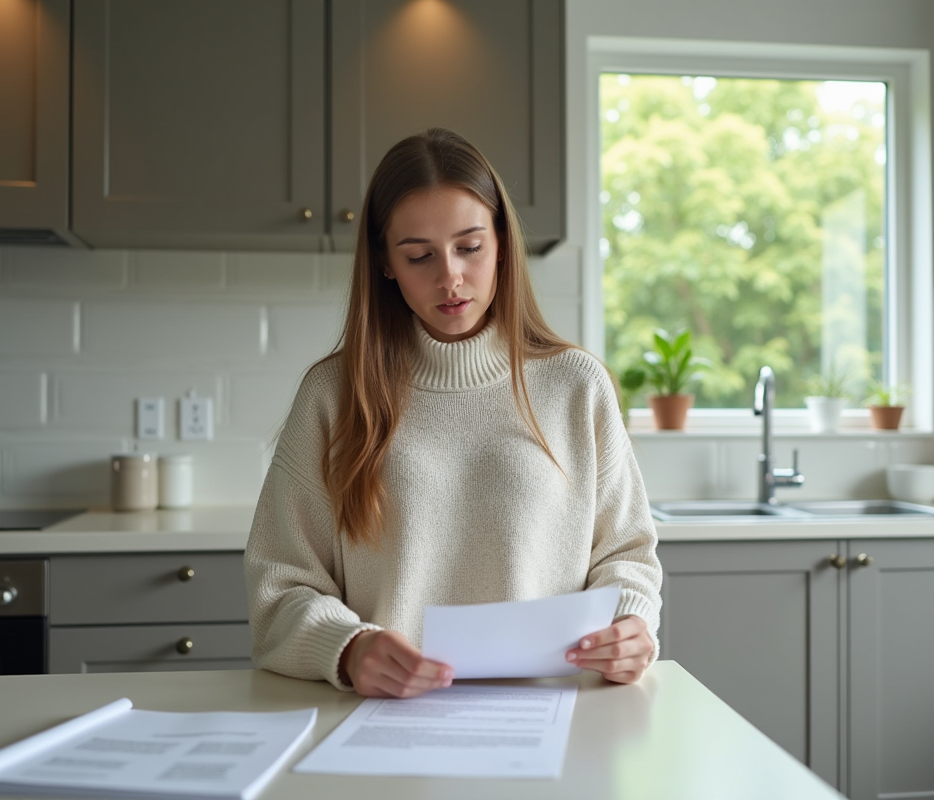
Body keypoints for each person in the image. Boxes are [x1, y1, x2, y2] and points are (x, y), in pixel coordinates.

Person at [245, 128, 661, 698]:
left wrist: (631, 626)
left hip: (556, 713)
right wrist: (346, 649)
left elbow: (627, 554)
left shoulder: (576, 385)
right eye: (419, 256)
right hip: (387, 721)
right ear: (386, 263)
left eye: (470, 247)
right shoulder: (333, 395)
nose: (450, 278)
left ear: (502, 243)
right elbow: (279, 586)